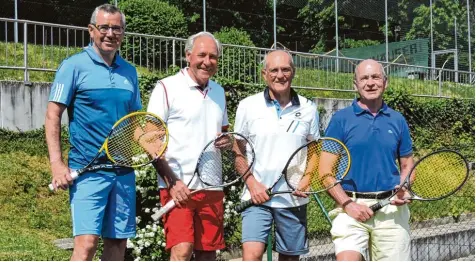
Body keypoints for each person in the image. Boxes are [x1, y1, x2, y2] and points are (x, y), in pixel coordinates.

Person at [45, 4, 140, 261]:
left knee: (117, 245)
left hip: (123, 172)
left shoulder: (129, 73)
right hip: (87, 172)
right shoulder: (73, 66)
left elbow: (135, 123)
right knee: (86, 245)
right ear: (91, 30)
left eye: (116, 28)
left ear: (123, 33)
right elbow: (53, 115)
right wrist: (57, 164)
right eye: (104, 27)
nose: (110, 33)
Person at [146, 32, 228, 261]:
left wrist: (226, 140)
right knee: (181, 250)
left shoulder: (219, 92)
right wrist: (172, 182)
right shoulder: (166, 87)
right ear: (188, 55)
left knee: (208, 253)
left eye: (213, 56)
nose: (207, 61)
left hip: (211, 187)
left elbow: (223, 132)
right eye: (201, 55)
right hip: (177, 186)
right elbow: (149, 140)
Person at [234, 49, 320, 261]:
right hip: (256, 198)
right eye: (274, 70)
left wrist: (306, 181)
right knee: (251, 256)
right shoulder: (247, 106)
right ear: (264, 74)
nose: (279, 75)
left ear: (293, 72)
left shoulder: (309, 108)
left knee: (290, 259)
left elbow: (315, 150)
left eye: (285, 69)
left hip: (292, 200)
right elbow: (237, 149)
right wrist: (252, 184)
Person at [324, 59, 414, 261]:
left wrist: (404, 187)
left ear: (385, 82)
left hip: (391, 210)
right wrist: (348, 204)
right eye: (364, 78)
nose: (370, 82)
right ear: (355, 84)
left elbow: (407, 165)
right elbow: (325, 172)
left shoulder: (398, 120)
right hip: (350, 207)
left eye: (375, 77)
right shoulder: (340, 120)